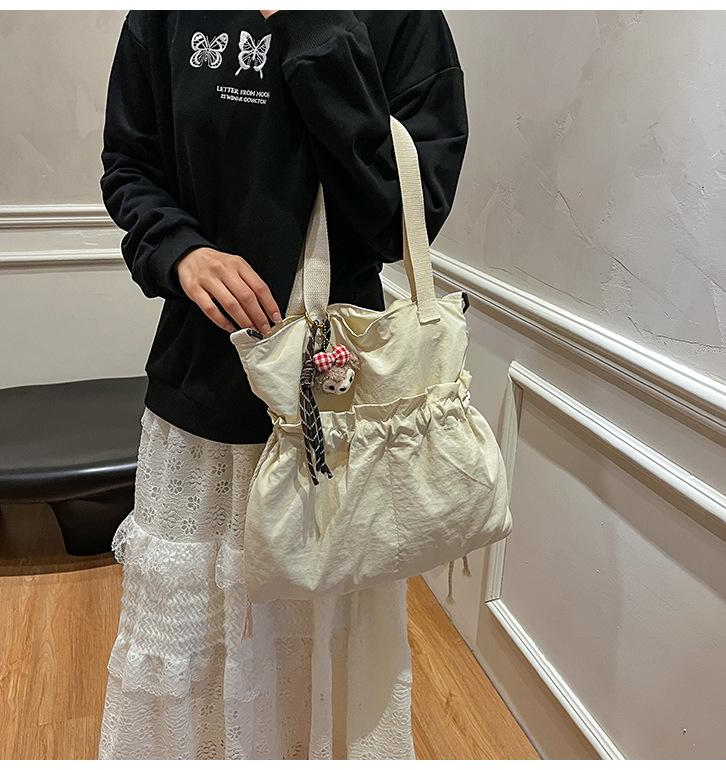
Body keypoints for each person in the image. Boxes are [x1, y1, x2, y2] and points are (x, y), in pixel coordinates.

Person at [97, 10, 467, 760]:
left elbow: (402, 220)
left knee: (319, 649)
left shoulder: (399, 21)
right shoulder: (166, 17)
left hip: (341, 413)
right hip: (202, 389)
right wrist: (180, 249)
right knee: (196, 642)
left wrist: (318, 32)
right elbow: (130, 166)